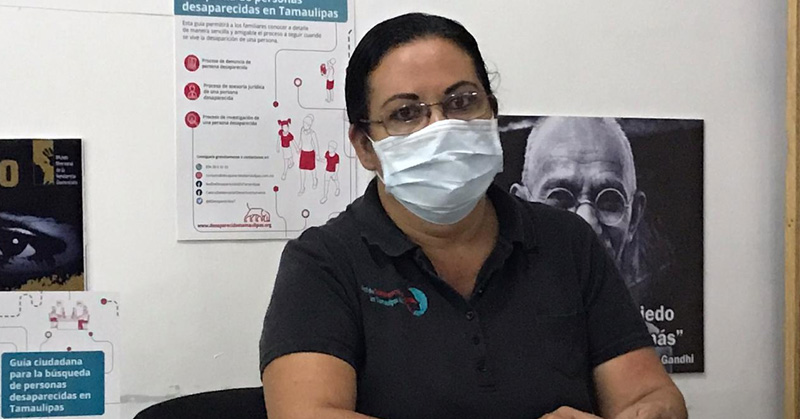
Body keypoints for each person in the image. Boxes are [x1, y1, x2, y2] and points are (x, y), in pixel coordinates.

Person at [260, 13, 687, 419]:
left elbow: (651, 395)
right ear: (365, 146)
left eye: (462, 101)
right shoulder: (323, 263)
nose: (440, 126)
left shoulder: (568, 241)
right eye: (405, 113)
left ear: (492, 112)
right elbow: (307, 412)